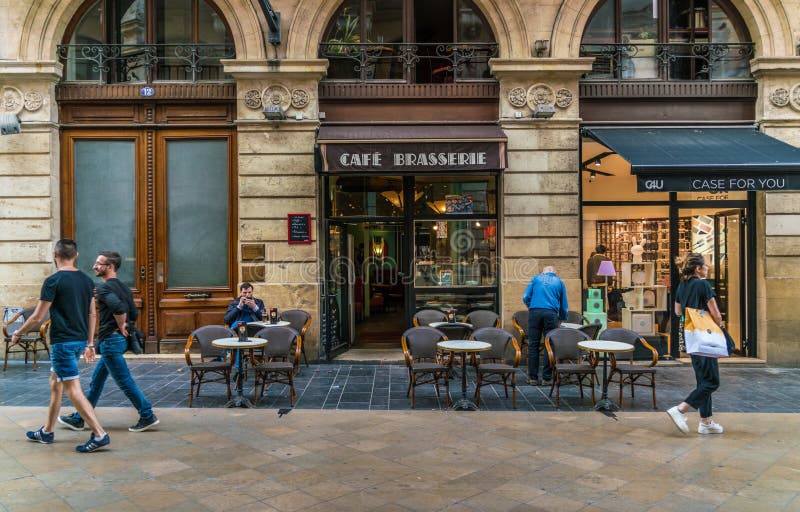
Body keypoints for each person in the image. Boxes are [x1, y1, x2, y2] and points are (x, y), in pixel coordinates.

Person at [9, 239, 110, 453]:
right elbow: (93, 313)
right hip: (79, 340)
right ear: (76, 255)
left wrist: (18, 332)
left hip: (63, 343)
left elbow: (37, 317)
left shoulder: (53, 281)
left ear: (55, 254)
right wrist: (90, 343)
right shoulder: (86, 280)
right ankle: (47, 431)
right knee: (56, 383)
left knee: (73, 390)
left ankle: (99, 434)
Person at [58, 251, 159, 433]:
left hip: (111, 342)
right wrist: (124, 325)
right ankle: (80, 418)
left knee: (124, 381)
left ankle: (147, 414)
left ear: (110, 267)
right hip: (115, 341)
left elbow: (119, 308)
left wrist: (121, 324)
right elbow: (133, 313)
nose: (94, 267)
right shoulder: (124, 288)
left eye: (98, 264)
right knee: (96, 381)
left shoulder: (104, 288)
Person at [667, 253, 724, 435]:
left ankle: (706, 422)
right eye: (705, 265)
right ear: (698, 268)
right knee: (712, 381)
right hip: (706, 336)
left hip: (691, 336)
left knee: (703, 379)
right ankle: (681, 409)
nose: (708, 268)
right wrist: (720, 326)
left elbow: (677, 311)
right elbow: (715, 312)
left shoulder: (681, 286)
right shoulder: (703, 284)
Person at [522, 266, 569, 386]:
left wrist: (530, 305)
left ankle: (533, 378)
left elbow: (525, 296)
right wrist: (562, 318)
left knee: (533, 345)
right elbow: (564, 304)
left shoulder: (536, 278)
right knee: (549, 345)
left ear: (543, 272)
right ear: (555, 273)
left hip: (535, 312)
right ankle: (546, 378)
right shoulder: (559, 282)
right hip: (551, 313)